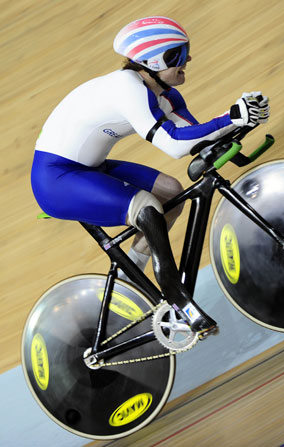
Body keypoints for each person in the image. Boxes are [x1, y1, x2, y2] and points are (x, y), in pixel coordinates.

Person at [31, 16, 270, 333]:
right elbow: (173, 145)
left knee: (170, 192)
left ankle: (131, 285)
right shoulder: (126, 88)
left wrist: (242, 122)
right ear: (151, 62)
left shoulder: (165, 93)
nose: (187, 62)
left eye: (185, 53)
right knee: (146, 206)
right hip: (56, 179)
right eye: (177, 56)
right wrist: (231, 116)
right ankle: (176, 299)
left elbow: (196, 137)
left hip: (89, 168)